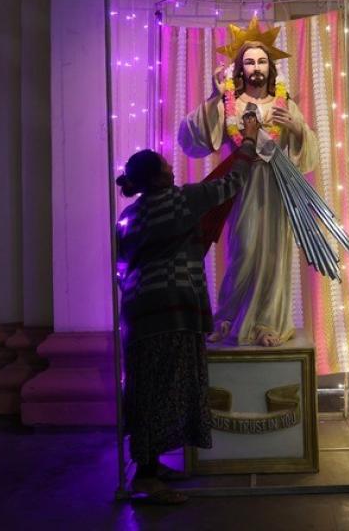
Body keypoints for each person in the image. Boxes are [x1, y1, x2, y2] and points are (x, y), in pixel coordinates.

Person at [116, 117, 259, 504]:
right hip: (171, 310)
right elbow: (232, 182)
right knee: (164, 388)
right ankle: (146, 478)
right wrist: (248, 142)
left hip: (138, 312)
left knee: (144, 387)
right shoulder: (181, 200)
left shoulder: (129, 216)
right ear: (157, 177)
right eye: (165, 165)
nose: (172, 167)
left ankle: (149, 464)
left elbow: (121, 264)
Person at [178, 18, 319, 347]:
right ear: (240, 68)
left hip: (277, 188)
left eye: (262, 61)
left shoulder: (286, 105)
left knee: (273, 256)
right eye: (250, 61)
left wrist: (297, 128)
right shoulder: (229, 103)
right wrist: (214, 97)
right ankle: (229, 318)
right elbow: (193, 140)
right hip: (241, 188)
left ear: (271, 68)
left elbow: (310, 154)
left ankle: (268, 322)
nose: (256, 67)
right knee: (243, 252)